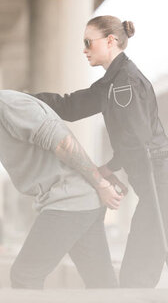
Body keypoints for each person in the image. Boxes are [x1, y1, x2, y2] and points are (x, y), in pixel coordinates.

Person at [0, 62, 120, 289]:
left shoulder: (8, 106)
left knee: (25, 275)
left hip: (69, 200)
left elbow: (63, 141)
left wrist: (100, 183)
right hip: (80, 200)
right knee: (101, 283)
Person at [33, 15, 168, 288]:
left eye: (87, 42)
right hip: (154, 184)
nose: (84, 49)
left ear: (110, 40)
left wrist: (106, 170)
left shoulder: (125, 83)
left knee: (136, 276)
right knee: (138, 271)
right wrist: (24, 99)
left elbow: (136, 140)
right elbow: (70, 107)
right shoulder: (112, 82)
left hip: (159, 183)